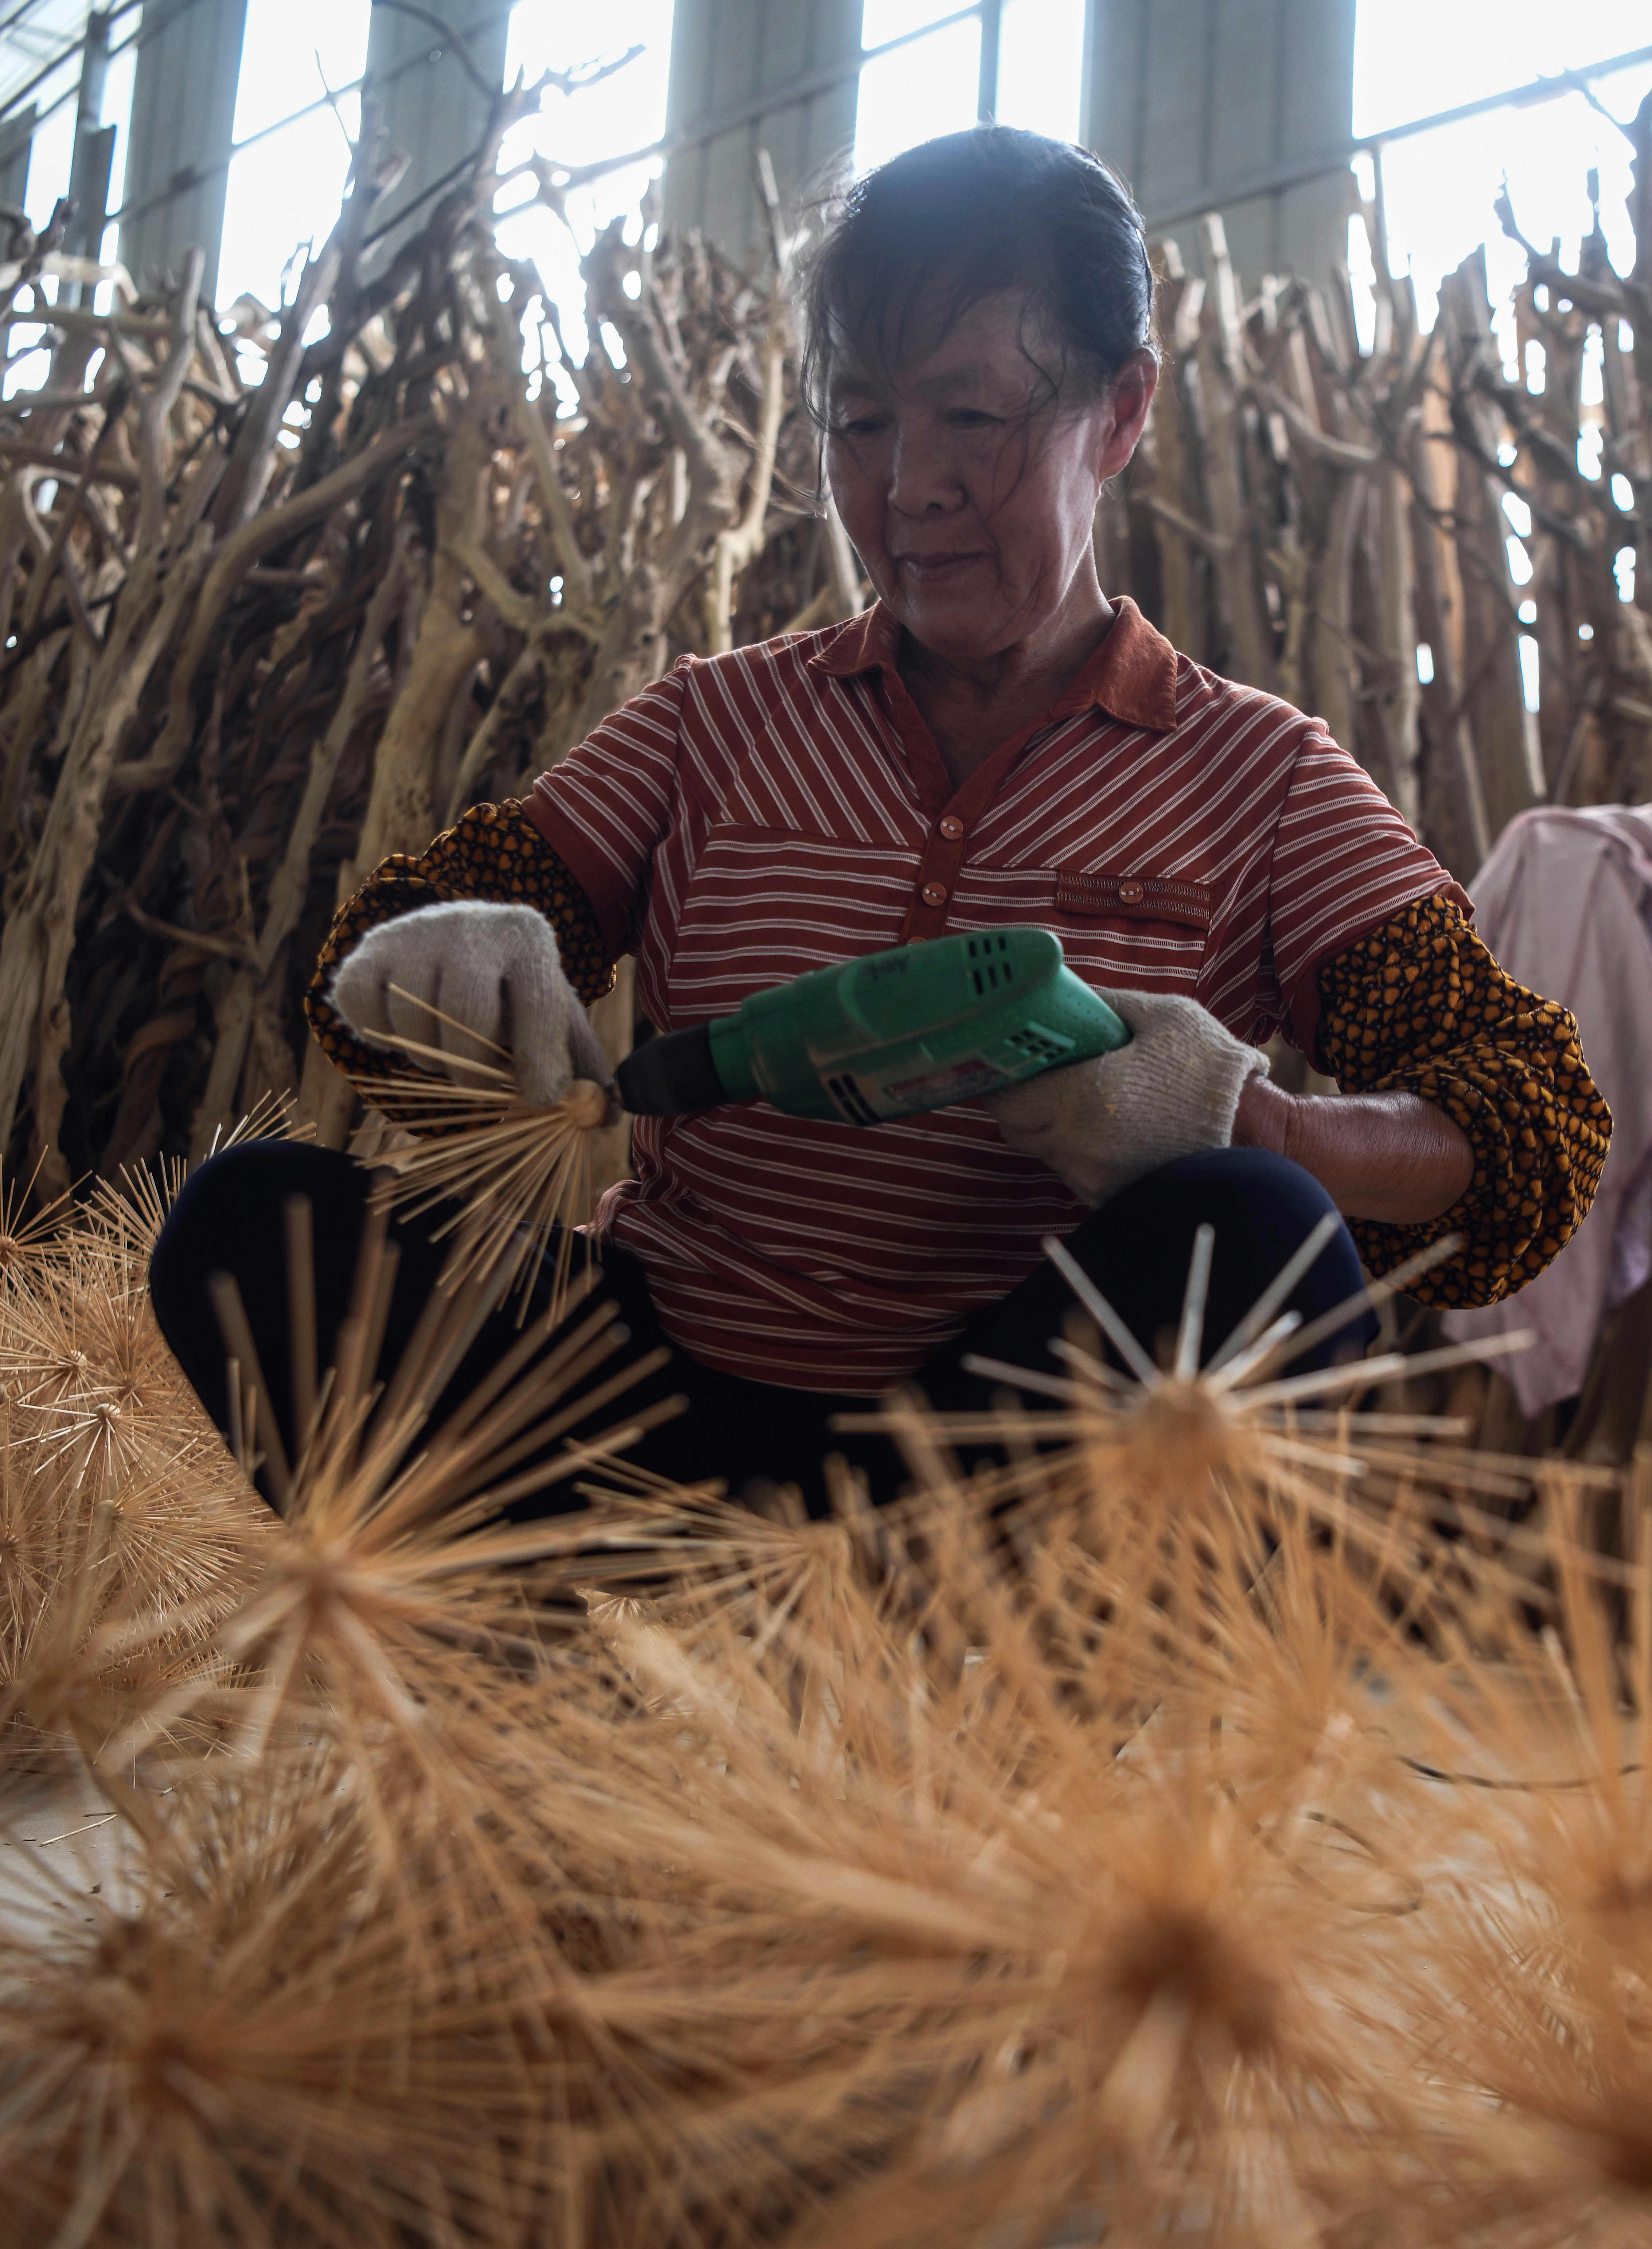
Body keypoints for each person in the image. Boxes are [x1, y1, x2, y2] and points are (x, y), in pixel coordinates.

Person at [150, 128, 1610, 1519]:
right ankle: (565, 1679)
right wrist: (427, 963)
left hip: (999, 1469)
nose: (906, 489)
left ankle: (947, 1706)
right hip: (640, 1401)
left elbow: (1531, 1120)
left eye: (970, 414)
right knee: (245, 1223)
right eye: (858, 419)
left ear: (1120, 411)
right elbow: (387, 957)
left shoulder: (1261, 776)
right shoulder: (712, 724)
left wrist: (1261, 1119)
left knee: (1259, 1227)